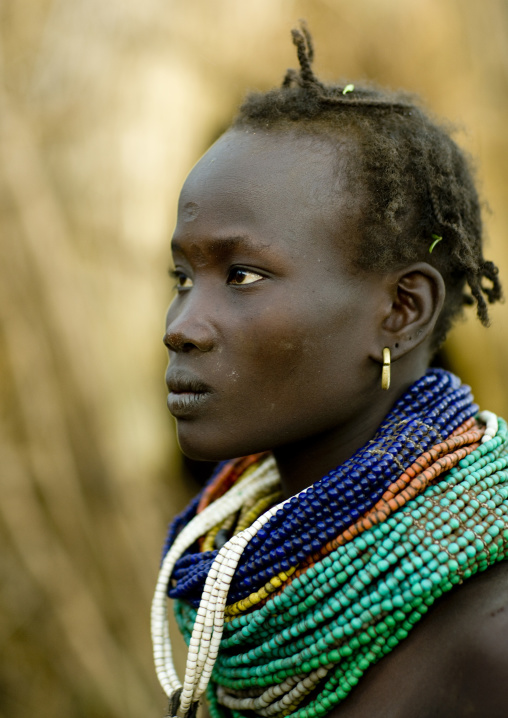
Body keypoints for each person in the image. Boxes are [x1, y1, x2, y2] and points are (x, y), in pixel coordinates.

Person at [151, 23, 508, 718]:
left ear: (401, 308)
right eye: (183, 276)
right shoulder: (234, 596)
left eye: (243, 275)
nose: (180, 327)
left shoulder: (489, 647)